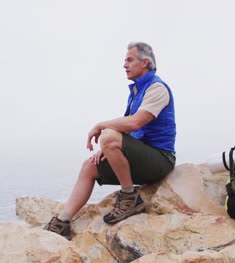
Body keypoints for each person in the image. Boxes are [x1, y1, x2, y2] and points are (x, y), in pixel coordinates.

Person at [44, 42, 176, 240]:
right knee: (89, 166)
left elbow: (135, 123)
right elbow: (130, 132)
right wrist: (108, 148)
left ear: (145, 62)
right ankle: (62, 222)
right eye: (125, 60)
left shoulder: (157, 88)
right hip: (142, 157)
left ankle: (129, 197)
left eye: (129, 60)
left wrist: (101, 128)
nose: (124, 65)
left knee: (108, 135)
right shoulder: (135, 92)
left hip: (160, 160)